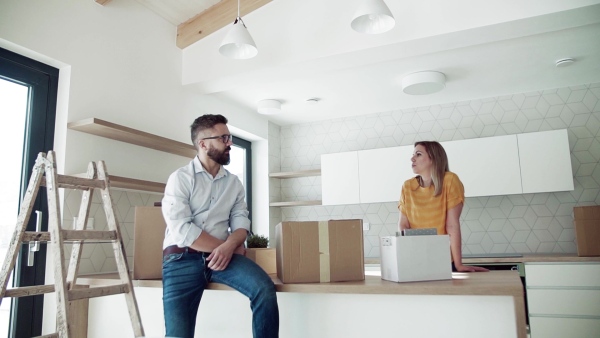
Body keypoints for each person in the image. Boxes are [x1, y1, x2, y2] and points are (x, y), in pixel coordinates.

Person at [161, 114, 279, 338]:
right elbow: (183, 231)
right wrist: (225, 247)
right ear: (203, 144)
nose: (230, 143)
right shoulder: (180, 179)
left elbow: (241, 223)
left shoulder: (234, 183)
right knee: (178, 335)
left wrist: (229, 247)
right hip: (181, 258)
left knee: (264, 289)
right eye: (223, 138)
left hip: (224, 257)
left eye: (230, 137)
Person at [398, 141, 488, 273]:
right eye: (413, 155)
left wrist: (458, 265)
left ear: (433, 158)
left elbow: (452, 225)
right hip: (416, 260)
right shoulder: (407, 187)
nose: (412, 158)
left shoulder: (450, 181)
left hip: (443, 260)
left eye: (418, 154)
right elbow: (403, 226)